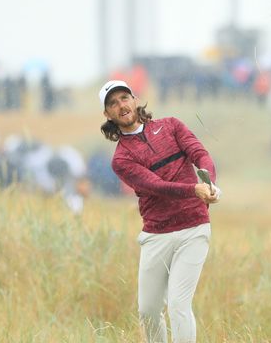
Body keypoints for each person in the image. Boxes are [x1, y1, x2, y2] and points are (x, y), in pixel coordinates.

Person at [99, 80, 220, 343]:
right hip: (157, 234)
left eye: (124, 98)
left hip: (193, 227)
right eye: (113, 103)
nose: (121, 105)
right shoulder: (121, 159)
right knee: (148, 311)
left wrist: (208, 182)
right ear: (108, 114)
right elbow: (156, 186)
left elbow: (200, 154)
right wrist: (194, 190)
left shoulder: (171, 126)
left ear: (134, 99)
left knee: (178, 304)